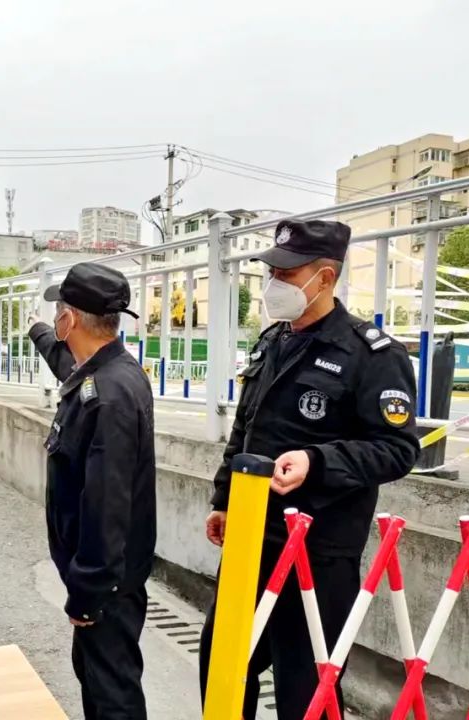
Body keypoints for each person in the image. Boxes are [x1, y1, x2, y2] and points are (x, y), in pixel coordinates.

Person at [198, 220, 420, 719]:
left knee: (306, 690)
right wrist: (224, 499)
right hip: (252, 538)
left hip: (318, 552)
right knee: (222, 667)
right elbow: (246, 430)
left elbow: (397, 449)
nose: (274, 285)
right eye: (272, 274)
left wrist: (318, 462)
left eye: (287, 274)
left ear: (324, 277)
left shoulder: (372, 355)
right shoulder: (272, 341)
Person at [30, 263, 156, 720]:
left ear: (71, 319)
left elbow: (106, 503)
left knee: (112, 695)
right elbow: (66, 363)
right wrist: (37, 332)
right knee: (97, 677)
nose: (56, 320)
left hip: (107, 584)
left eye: (58, 312)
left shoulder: (108, 394)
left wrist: (87, 590)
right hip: (107, 578)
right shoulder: (107, 372)